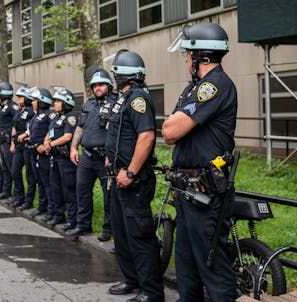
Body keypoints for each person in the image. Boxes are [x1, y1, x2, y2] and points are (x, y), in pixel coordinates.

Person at [162, 22, 237, 302]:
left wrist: (175, 124)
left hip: (205, 192)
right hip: (188, 190)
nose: (185, 58)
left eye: (186, 54)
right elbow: (171, 127)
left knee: (212, 267)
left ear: (200, 56)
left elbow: (170, 131)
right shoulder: (195, 88)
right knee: (186, 264)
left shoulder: (214, 86)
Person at [105, 50, 164, 302]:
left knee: (139, 236)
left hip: (133, 180)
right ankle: (131, 279)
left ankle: (151, 292)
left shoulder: (139, 99)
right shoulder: (125, 97)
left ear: (124, 74)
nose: (114, 76)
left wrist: (130, 171)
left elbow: (147, 136)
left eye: (116, 72)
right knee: (122, 234)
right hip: (118, 178)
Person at [67, 69, 117, 239]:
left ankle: (108, 229)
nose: (97, 88)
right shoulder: (88, 104)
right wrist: (74, 148)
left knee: (108, 195)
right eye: (95, 85)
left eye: (101, 84)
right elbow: (79, 127)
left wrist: (111, 155)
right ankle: (83, 225)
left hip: (104, 158)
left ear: (109, 86)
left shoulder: (116, 103)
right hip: (86, 157)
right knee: (82, 191)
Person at [42, 87, 78, 226]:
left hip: (65, 159)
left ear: (66, 102)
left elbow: (67, 136)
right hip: (54, 159)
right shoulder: (56, 118)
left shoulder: (70, 117)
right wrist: (46, 142)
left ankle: (72, 219)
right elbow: (49, 132)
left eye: (58, 101)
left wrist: (51, 145)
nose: (55, 103)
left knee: (68, 190)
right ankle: (59, 215)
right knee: (56, 188)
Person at [27, 88, 55, 218]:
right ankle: (42, 207)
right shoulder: (36, 116)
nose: (32, 103)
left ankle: (51, 210)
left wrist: (45, 145)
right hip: (34, 153)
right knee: (40, 182)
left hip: (44, 155)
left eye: (35, 100)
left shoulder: (50, 115)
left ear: (42, 101)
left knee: (48, 183)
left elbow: (53, 131)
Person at [9, 87, 36, 210]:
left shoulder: (31, 112)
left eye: (20, 97)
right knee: (15, 171)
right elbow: (14, 126)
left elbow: (32, 128)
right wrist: (13, 142)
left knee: (30, 175)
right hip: (18, 145)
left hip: (27, 146)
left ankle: (28, 201)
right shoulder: (19, 111)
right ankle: (18, 197)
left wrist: (25, 134)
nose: (18, 99)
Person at [0, 82, 20, 201]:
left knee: (12, 168)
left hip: (9, 141)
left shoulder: (12, 106)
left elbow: (17, 122)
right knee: (5, 167)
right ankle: (6, 191)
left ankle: (17, 194)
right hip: (2, 141)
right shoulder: (1, 106)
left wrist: (13, 140)